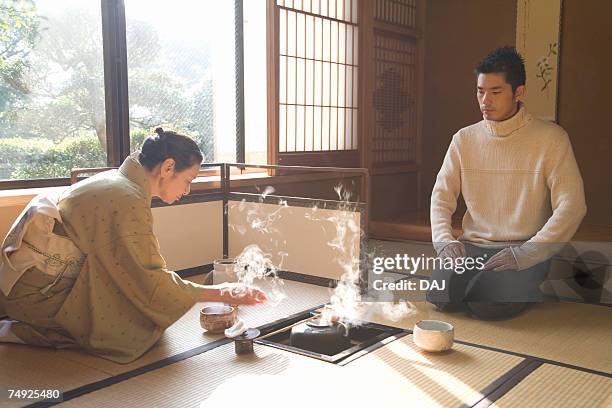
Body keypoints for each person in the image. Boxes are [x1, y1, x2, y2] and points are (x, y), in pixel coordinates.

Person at [0, 128, 267, 363]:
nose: (187, 190)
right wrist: (221, 292)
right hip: (38, 297)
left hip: (28, 284)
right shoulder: (125, 198)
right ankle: (27, 330)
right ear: (167, 167)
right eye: (189, 180)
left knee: (137, 308)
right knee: (136, 326)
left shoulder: (118, 183)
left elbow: (129, 269)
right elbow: (147, 279)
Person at [427, 47, 587, 319]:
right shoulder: (464, 139)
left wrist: (527, 253)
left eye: (496, 92)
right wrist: (444, 241)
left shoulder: (551, 139)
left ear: (519, 92)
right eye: (480, 91)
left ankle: (516, 286)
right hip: (474, 245)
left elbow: (572, 206)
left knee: (486, 305)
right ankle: (488, 286)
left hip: (522, 248)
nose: (485, 100)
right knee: (440, 295)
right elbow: (441, 196)